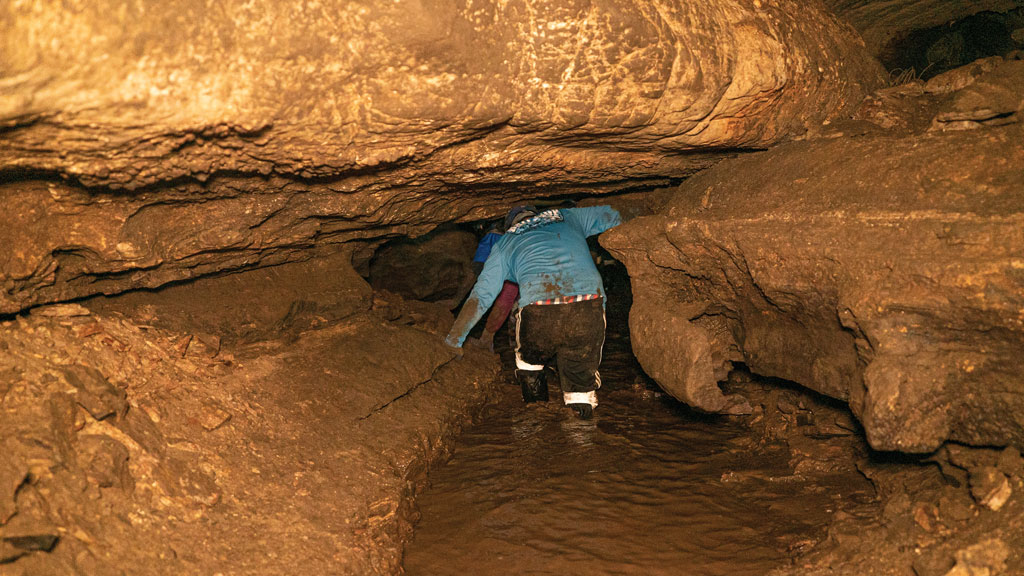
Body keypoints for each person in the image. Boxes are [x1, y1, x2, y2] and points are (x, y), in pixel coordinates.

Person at [444, 204, 622, 419]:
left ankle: (536, 422)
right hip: (587, 305)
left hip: (539, 309)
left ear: (510, 225)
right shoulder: (566, 216)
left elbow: (482, 296)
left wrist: (454, 340)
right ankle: (582, 433)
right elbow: (615, 215)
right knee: (581, 387)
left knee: (529, 363)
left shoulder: (506, 242)